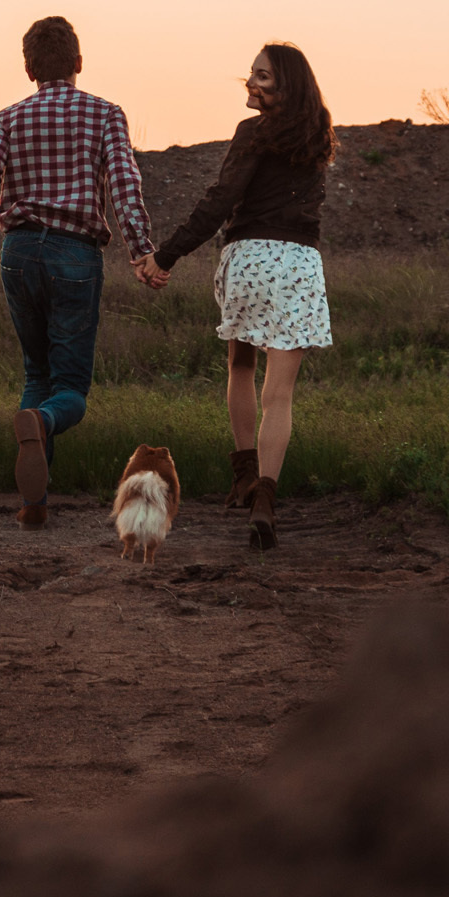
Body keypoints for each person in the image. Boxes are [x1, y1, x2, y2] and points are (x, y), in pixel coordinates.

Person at [0, 16, 163, 529]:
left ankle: (35, 502)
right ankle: (44, 421)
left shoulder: (8, 118)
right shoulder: (105, 114)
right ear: (78, 63)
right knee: (69, 387)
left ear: (28, 69)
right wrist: (142, 250)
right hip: (75, 255)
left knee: (36, 373)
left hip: (19, 251)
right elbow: (124, 185)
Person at [134, 43, 334, 550]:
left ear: (286, 85)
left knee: (241, 365)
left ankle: (243, 474)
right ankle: (264, 497)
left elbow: (220, 199)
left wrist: (166, 255)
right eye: (251, 74)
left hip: (250, 260)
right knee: (279, 395)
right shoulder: (318, 138)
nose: (250, 82)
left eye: (263, 76)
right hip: (299, 265)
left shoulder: (254, 132)